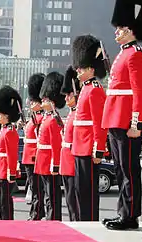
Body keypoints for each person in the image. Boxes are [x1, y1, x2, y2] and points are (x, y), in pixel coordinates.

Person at [101, 0, 142, 230]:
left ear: (129, 30)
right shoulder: (123, 54)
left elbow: (140, 92)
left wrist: (137, 123)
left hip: (126, 119)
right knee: (120, 169)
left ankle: (130, 215)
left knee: (129, 170)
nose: (116, 32)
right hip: (115, 118)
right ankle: (123, 212)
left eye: (120, 28)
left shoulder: (135, 54)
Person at [71, 35, 108, 222]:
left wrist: (98, 148)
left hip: (88, 147)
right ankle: (81, 220)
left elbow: (99, 123)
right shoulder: (85, 88)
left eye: (81, 68)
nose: (77, 71)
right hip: (79, 146)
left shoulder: (95, 89)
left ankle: (90, 221)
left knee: (88, 190)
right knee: (80, 189)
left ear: (91, 69)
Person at [34, 72, 65, 221]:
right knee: (47, 193)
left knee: (52, 193)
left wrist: (55, 164)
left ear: (52, 101)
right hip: (43, 160)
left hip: (49, 162)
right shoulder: (47, 118)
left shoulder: (53, 119)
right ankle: (49, 215)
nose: (42, 101)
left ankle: (53, 217)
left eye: (45, 99)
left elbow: (56, 144)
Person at [0, 86, 22, 220]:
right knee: (2, 200)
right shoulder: (4, 130)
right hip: (0, 169)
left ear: (6, 115)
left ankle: (7, 221)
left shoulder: (10, 131)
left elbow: (12, 154)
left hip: (5, 170)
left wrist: (11, 172)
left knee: (5, 201)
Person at [60, 66, 81, 221]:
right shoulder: (72, 113)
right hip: (66, 161)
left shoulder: (79, 113)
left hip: (74, 160)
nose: (66, 98)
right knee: (69, 196)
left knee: (74, 197)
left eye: (69, 95)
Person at [23, 73, 46, 220]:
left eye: (33, 102)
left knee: (37, 189)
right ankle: (36, 211)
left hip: (34, 158)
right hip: (28, 157)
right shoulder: (33, 119)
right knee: (33, 188)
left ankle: (37, 213)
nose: (30, 104)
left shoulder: (41, 118)